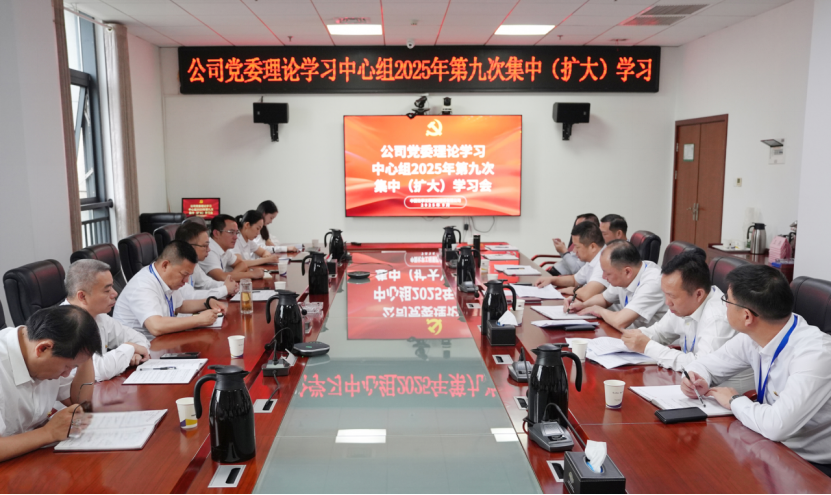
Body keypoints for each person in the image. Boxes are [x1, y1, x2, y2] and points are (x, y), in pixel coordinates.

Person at [682, 265, 831, 475]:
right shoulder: (756, 335)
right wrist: (696, 378)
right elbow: (705, 364)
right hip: (767, 446)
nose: (723, 306)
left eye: (726, 300)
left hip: (811, 466)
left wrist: (734, 401)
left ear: (747, 316)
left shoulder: (816, 355)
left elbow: (777, 426)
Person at [620, 249, 754, 392]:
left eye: (672, 296)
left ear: (698, 294)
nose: (667, 302)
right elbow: (659, 332)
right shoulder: (682, 305)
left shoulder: (718, 318)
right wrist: (635, 337)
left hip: (723, 395)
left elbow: (700, 366)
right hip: (691, 387)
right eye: (665, 294)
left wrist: (648, 346)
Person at [0, 306, 100, 463]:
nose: (67, 374)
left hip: (30, 459)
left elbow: (79, 401)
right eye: (67, 367)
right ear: (43, 349)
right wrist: (49, 433)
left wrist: (85, 355)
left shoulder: (47, 348)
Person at [114, 241, 226, 340]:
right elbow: (156, 326)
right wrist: (199, 319)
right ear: (165, 265)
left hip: (160, 342)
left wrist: (208, 302)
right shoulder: (143, 285)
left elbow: (179, 306)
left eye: (189, 275)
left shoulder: (165, 279)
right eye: (184, 274)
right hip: (139, 351)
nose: (186, 281)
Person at [63, 260, 151, 381]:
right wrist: (130, 348)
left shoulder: (98, 316)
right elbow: (97, 371)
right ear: (82, 296)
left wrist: (135, 353)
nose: (115, 293)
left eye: (112, 287)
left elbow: (140, 339)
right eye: (107, 290)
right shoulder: (65, 324)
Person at [567, 240, 667, 330]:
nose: (603, 277)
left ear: (627, 272)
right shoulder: (628, 273)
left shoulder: (652, 282)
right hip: (630, 335)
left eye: (607, 273)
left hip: (653, 342)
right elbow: (604, 299)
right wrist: (583, 305)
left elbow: (619, 321)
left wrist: (598, 310)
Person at [535, 221, 609, 301]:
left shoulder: (604, 262)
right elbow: (574, 280)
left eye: (577, 247)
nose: (574, 251)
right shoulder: (593, 259)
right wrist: (552, 280)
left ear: (592, 247)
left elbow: (586, 294)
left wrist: (573, 290)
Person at [175, 221, 238, 299]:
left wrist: (226, 285)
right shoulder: (176, 266)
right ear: (189, 247)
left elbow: (206, 283)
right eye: (205, 246)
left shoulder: (194, 263)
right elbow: (190, 296)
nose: (209, 249)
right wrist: (225, 290)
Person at [200, 214, 265, 282]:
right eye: (231, 232)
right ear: (216, 233)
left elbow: (242, 264)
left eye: (236, 233)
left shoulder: (224, 249)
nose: (236, 237)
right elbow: (221, 277)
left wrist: (231, 276)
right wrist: (252, 274)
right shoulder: (208, 249)